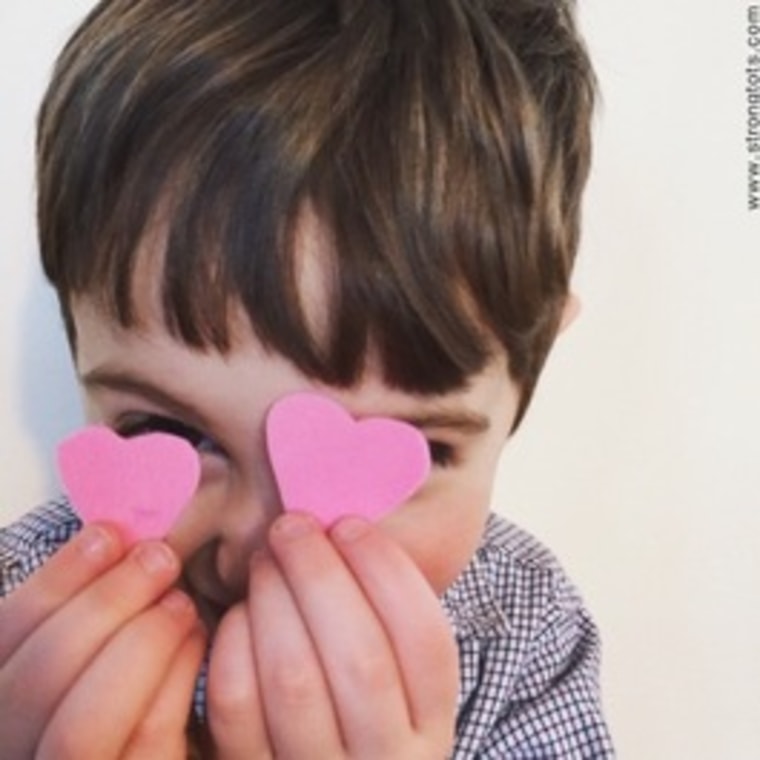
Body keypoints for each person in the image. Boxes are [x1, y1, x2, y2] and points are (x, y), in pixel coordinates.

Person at [0, 0, 615, 756]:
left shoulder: (521, 636)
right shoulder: (18, 602)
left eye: (408, 447)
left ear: (530, 377)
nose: (258, 555)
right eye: (167, 431)